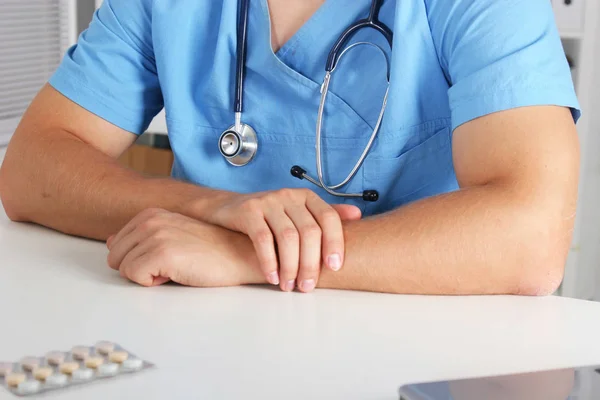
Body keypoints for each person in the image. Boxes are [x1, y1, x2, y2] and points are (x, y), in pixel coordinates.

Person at [0, 0, 580, 295]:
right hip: (201, 339)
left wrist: (247, 254)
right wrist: (206, 208)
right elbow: (31, 167)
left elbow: (533, 234)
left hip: (420, 345)